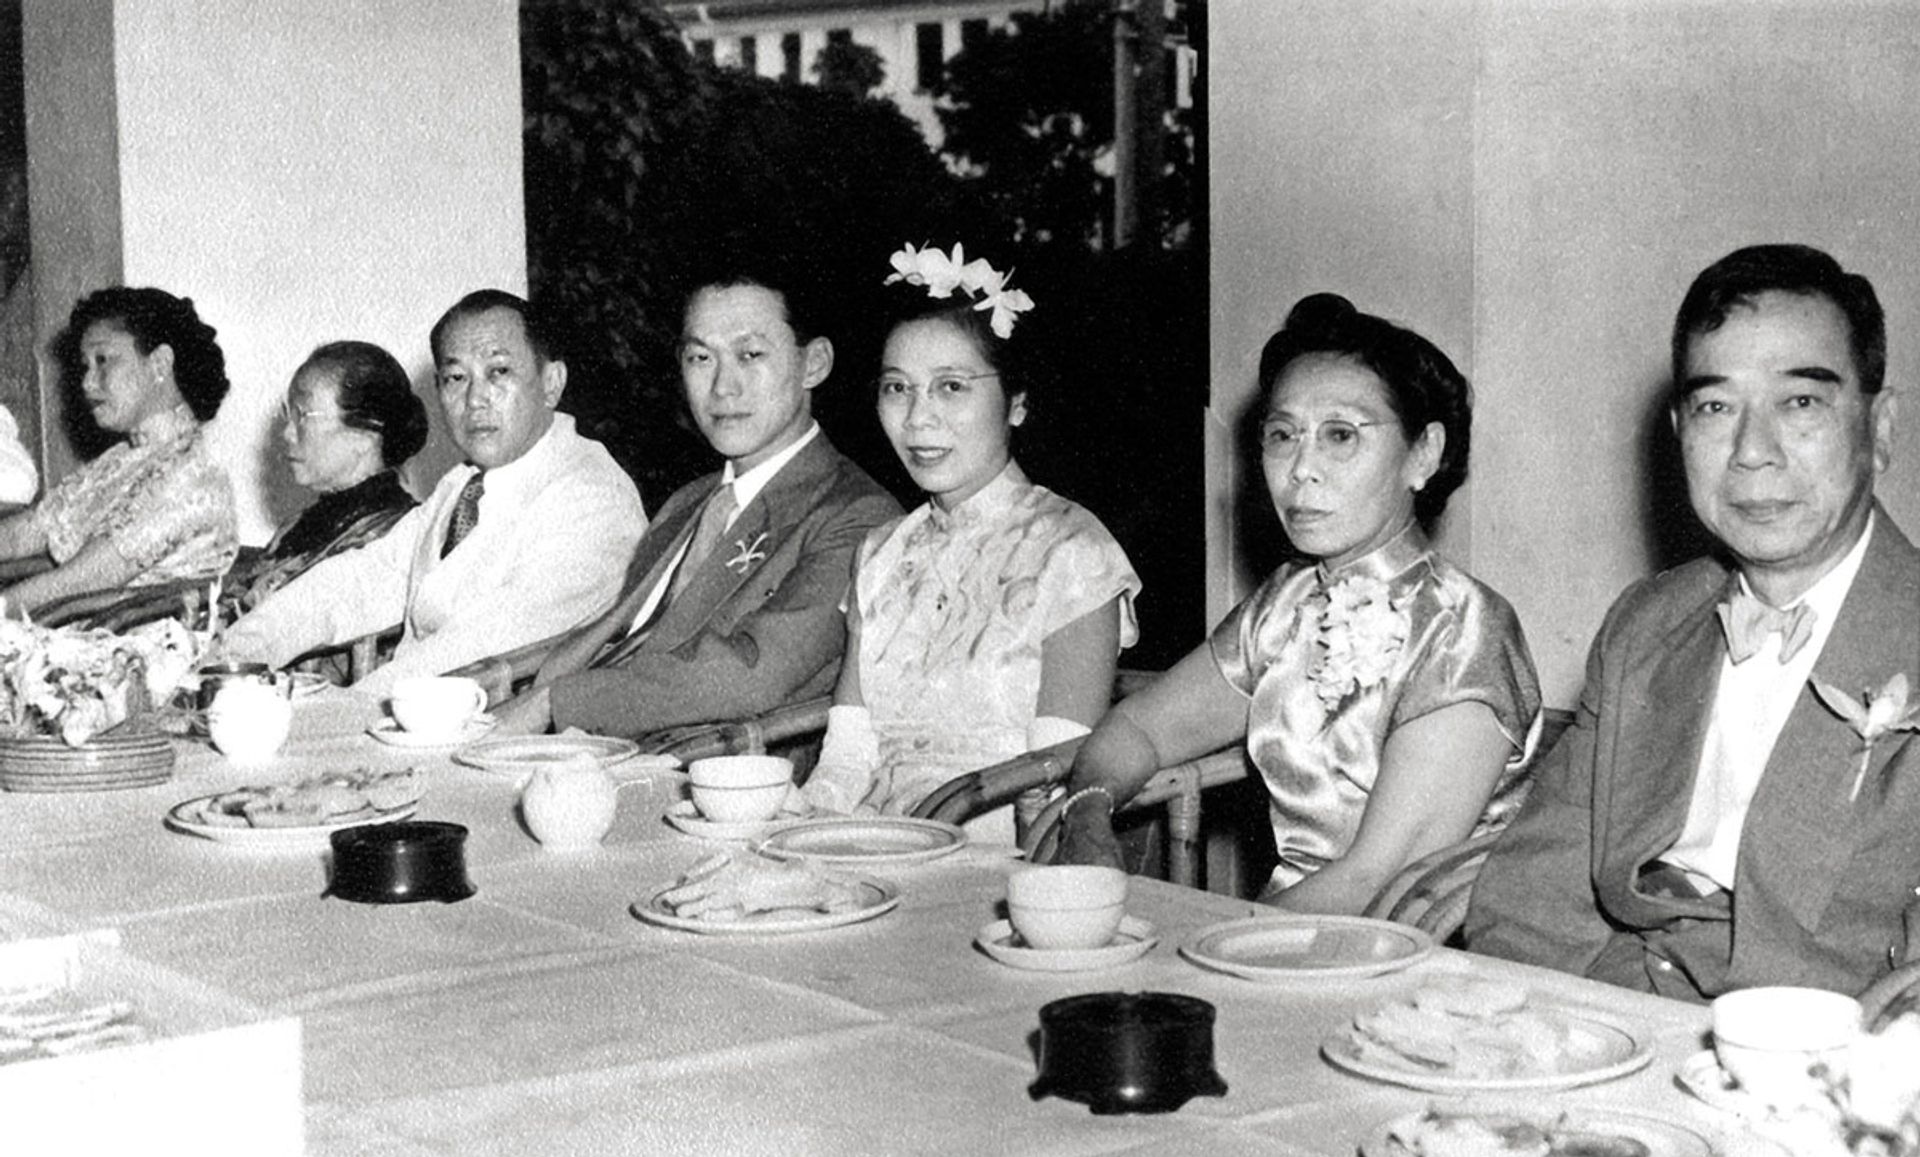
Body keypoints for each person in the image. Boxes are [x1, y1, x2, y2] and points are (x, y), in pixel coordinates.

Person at [1467, 244, 1920, 1001]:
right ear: (1679, 429)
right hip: (1616, 1018)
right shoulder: (1647, 624)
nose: (1751, 452)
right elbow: (1531, 897)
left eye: (1800, 403)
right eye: (1716, 408)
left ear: (1880, 429)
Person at [1053, 293, 1541, 915]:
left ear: (1423, 454)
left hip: (1405, 946)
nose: (1301, 468)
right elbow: (1137, 730)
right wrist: (1087, 816)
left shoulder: (1464, 630)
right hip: (1277, 926)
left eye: (1340, 435)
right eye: (1282, 435)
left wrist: (1197, 947)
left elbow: (1376, 882)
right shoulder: (1284, 605)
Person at [789, 242, 1141, 840]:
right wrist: (803, 822)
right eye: (897, 388)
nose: (918, 418)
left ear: (1017, 404)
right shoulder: (880, 553)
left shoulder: (1074, 553)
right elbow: (848, 756)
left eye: (951, 387)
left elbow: (1055, 788)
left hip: (998, 855)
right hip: (874, 843)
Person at [486, 262, 899, 739]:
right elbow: (630, 634)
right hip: (587, 741)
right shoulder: (691, 501)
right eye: (701, 358)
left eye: (750, 354)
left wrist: (553, 704)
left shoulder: (857, 517)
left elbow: (750, 676)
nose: (723, 387)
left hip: (711, 764)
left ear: (815, 364)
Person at [219, 290, 646, 699]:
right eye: (456, 378)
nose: (475, 399)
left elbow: (480, 645)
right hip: (425, 714)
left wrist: (356, 707)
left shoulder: (592, 497)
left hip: (516, 730)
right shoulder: (463, 484)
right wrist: (234, 654)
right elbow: (361, 580)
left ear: (551, 383)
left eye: (499, 372)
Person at [0, 287, 237, 615]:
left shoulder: (191, 474)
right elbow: (28, 532)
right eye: (86, 365)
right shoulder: (122, 459)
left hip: (130, 642)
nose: (87, 382)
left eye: (102, 360)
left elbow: (73, 583)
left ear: (160, 363)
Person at [228, 340, 428, 612]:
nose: (287, 433)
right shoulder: (297, 525)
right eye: (288, 415)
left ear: (364, 436)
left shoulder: (390, 538)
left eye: (303, 415)